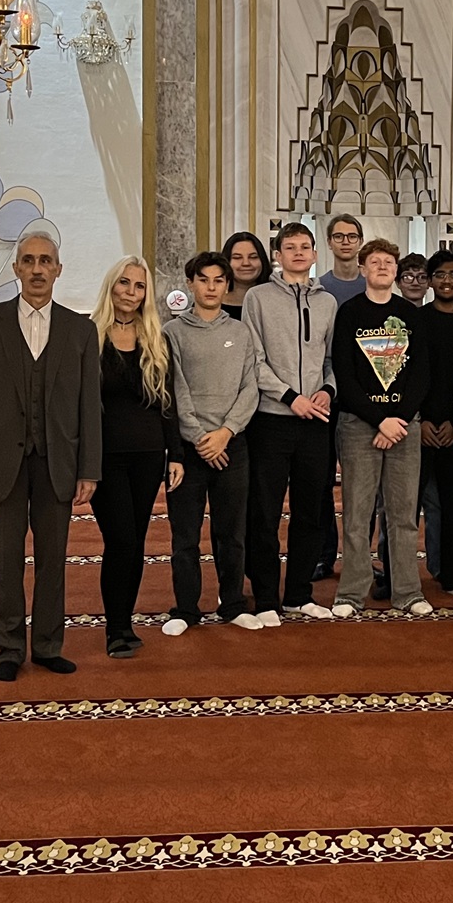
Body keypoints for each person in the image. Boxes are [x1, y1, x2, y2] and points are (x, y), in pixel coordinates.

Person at [0, 229, 101, 681]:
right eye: (29, 261)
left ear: (58, 270)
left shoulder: (81, 329)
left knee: (54, 561)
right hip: (2, 462)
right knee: (4, 561)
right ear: (16, 269)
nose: (37, 269)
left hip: (58, 462)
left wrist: (89, 468)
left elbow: (88, 407)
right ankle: (9, 648)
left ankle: (48, 645)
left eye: (46, 261)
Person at [330, 238, 433, 617]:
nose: (383, 267)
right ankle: (350, 594)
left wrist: (398, 420)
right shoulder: (349, 313)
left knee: (403, 515)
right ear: (363, 269)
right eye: (375, 262)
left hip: (403, 427)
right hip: (360, 426)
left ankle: (407, 592)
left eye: (389, 262)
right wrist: (379, 419)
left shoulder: (411, 315)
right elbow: (344, 372)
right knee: (357, 515)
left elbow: (421, 375)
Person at [241, 223, 338, 626]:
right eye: (289, 247)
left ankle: (299, 593)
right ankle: (265, 597)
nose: (298, 252)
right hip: (271, 419)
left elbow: (333, 361)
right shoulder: (257, 298)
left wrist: (327, 392)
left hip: (315, 422)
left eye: (305, 247)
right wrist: (289, 396)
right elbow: (253, 359)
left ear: (315, 255)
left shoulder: (328, 302)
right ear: (277, 256)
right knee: (264, 512)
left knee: (311, 511)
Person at [89, 256, 186, 657]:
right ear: (111, 287)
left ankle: (125, 624)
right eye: (124, 283)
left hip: (148, 456)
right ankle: (116, 628)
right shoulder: (88, 336)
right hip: (105, 458)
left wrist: (175, 455)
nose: (130, 292)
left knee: (137, 541)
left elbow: (168, 404)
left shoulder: (156, 339)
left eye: (139, 286)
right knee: (121, 541)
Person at [164, 252, 264, 635]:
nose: (210, 287)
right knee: (185, 535)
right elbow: (175, 391)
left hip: (232, 445)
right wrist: (199, 437)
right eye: (203, 279)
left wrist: (225, 433)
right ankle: (185, 609)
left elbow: (250, 388)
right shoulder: (173, 333)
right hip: (189, 451)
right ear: (190, 283)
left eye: (218, 280)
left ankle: (233, 603)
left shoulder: (240, 332)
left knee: (232, 532)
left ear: (227, 284)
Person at [417, 248, 453, 594]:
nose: (446, 280)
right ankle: (401, 579)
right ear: (430, 281)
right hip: (421, 427)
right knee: (409, 510)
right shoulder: (416, 320)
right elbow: (409, 376)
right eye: (439, 275)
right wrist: (422, 420)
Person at [313, 213, 369, 581]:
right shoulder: (318, 288)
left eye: (352, 236)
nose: (346, 242)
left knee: (363, 485)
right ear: (329, 243)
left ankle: (363, 555)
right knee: (320, 480)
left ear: (360, 242)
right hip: (324, 396)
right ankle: (323, 553)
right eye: (339, 236)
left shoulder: (375, 285)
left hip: (364, 399)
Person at [220, 231, 272, 318]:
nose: (246, 263)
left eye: (253, 257)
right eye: (237, 257)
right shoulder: (211, 301)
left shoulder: (278, 301)